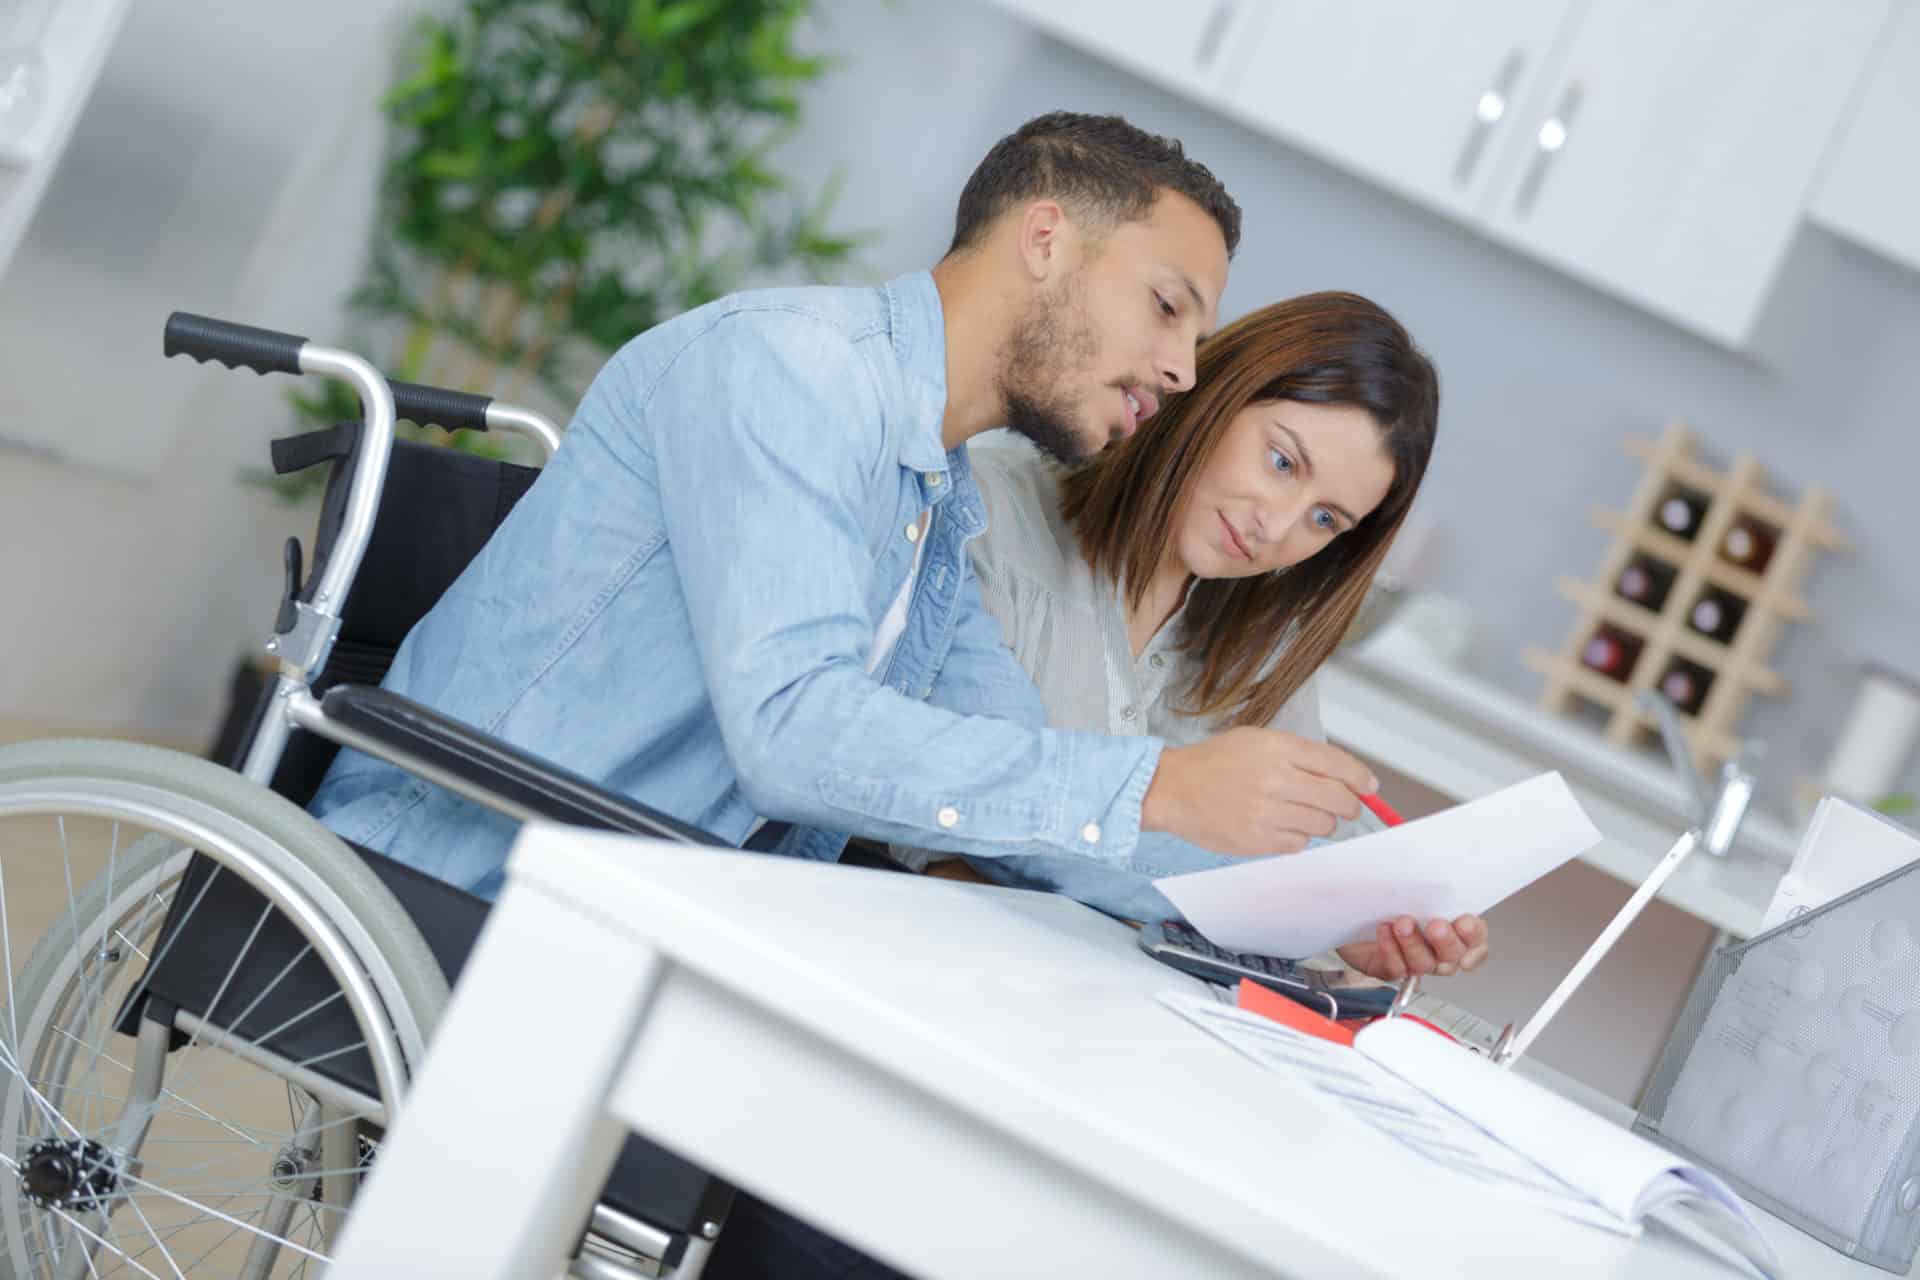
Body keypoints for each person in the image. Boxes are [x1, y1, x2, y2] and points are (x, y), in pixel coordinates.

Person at [902, 292, 1488, 980]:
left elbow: (1321, 842)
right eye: (1281, 463)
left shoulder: (1258, 642)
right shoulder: (991, 513)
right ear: (1219, 394)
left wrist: (1358, 921)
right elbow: (972, 806)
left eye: (1325, 519)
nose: (1277, 526)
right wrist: (1291, 894)